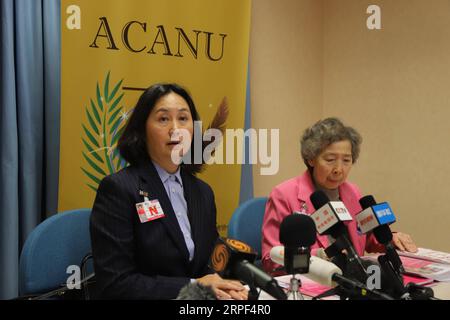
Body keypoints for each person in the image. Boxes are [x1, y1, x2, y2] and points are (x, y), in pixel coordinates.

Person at [90, 83, 247, 300]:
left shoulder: (202, 192)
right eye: (163, 119)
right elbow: (116, 284)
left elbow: (209, 264)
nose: (176, 129)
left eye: (183, 119)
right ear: (142, 130)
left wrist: (226, 284)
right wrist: (195, 285)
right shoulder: (119, 189)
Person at [261, 117, 418, 274]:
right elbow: (271, 259)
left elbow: (367, 238)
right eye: (330, 160)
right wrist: (322, 256)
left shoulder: (352, 192)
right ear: (311, 159)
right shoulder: (284, 194)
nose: (338, 169)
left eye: (346, 160)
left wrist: (391, 239)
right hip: (313, 281)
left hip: (353, 280)